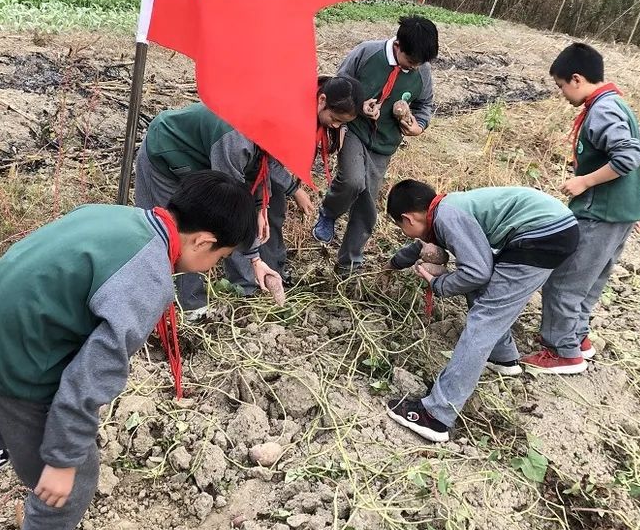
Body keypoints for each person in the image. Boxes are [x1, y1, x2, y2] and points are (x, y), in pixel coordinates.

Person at [0, 171, 257, 530]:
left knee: (39, 414)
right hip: (14, 361)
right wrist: (63, 463)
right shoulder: (148, 278)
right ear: (203, 241)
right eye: (218, 259)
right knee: (75, 481)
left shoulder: (117, 217)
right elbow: (88, 382)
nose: (210, 269)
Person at [383, 180, 579, 443]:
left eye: (401, 227)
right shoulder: (445, 208)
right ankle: (503, 357)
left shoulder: (447, 217)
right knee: (481, 292)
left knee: (484, 318)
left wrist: (440, 284)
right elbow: (421, 245)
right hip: (553, 229)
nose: (408, 234)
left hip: (540, 236)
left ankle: (437, 415)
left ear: (407, 218)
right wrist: (392, 265)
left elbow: (477, 272)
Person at [522, 42, 640, 374]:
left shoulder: (603, 110)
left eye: (561, 85)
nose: (562, 93)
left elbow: (628, 157)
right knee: (591, 280)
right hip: (619, 214)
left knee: (565, 281)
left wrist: (584, 181)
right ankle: (578, 337)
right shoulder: (617, 103)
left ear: (576, 79)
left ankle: (562, 350)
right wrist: (638, 204)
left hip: (600, 214)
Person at [133, 102, 294, 310]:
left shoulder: (263, 132)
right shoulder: (234, 139)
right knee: (177, 234)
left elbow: (257, 169)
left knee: (195, 235)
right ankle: (188, 307)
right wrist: (254, 258)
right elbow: (226, 206)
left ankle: (186, 303)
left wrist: (260, 207)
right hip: (167, 154)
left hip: (200, 165)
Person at [312, 16, 438, 274]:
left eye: (420, 64)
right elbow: (340, 85)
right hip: (355, 130)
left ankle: (349, 262)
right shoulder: (367, 53)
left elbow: (424, 105)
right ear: (398, 46)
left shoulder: (421, 73)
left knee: (368, 201)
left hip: (384, 143)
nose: (415, 67)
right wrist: (360, 106)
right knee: (352, 181)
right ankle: (328, 212)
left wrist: (418, 126)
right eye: (411, 61)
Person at [236, 75, 365, 288]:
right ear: (322, 100)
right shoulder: (290, 113)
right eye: (335, 118)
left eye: (342, 123)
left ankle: (273, 266)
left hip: (265, 162)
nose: (335, 125)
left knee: (272, 212)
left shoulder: (320, 111)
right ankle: (245, 280)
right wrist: (294, 190)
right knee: (250, 213)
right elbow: (269, 159)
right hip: (247, 159)